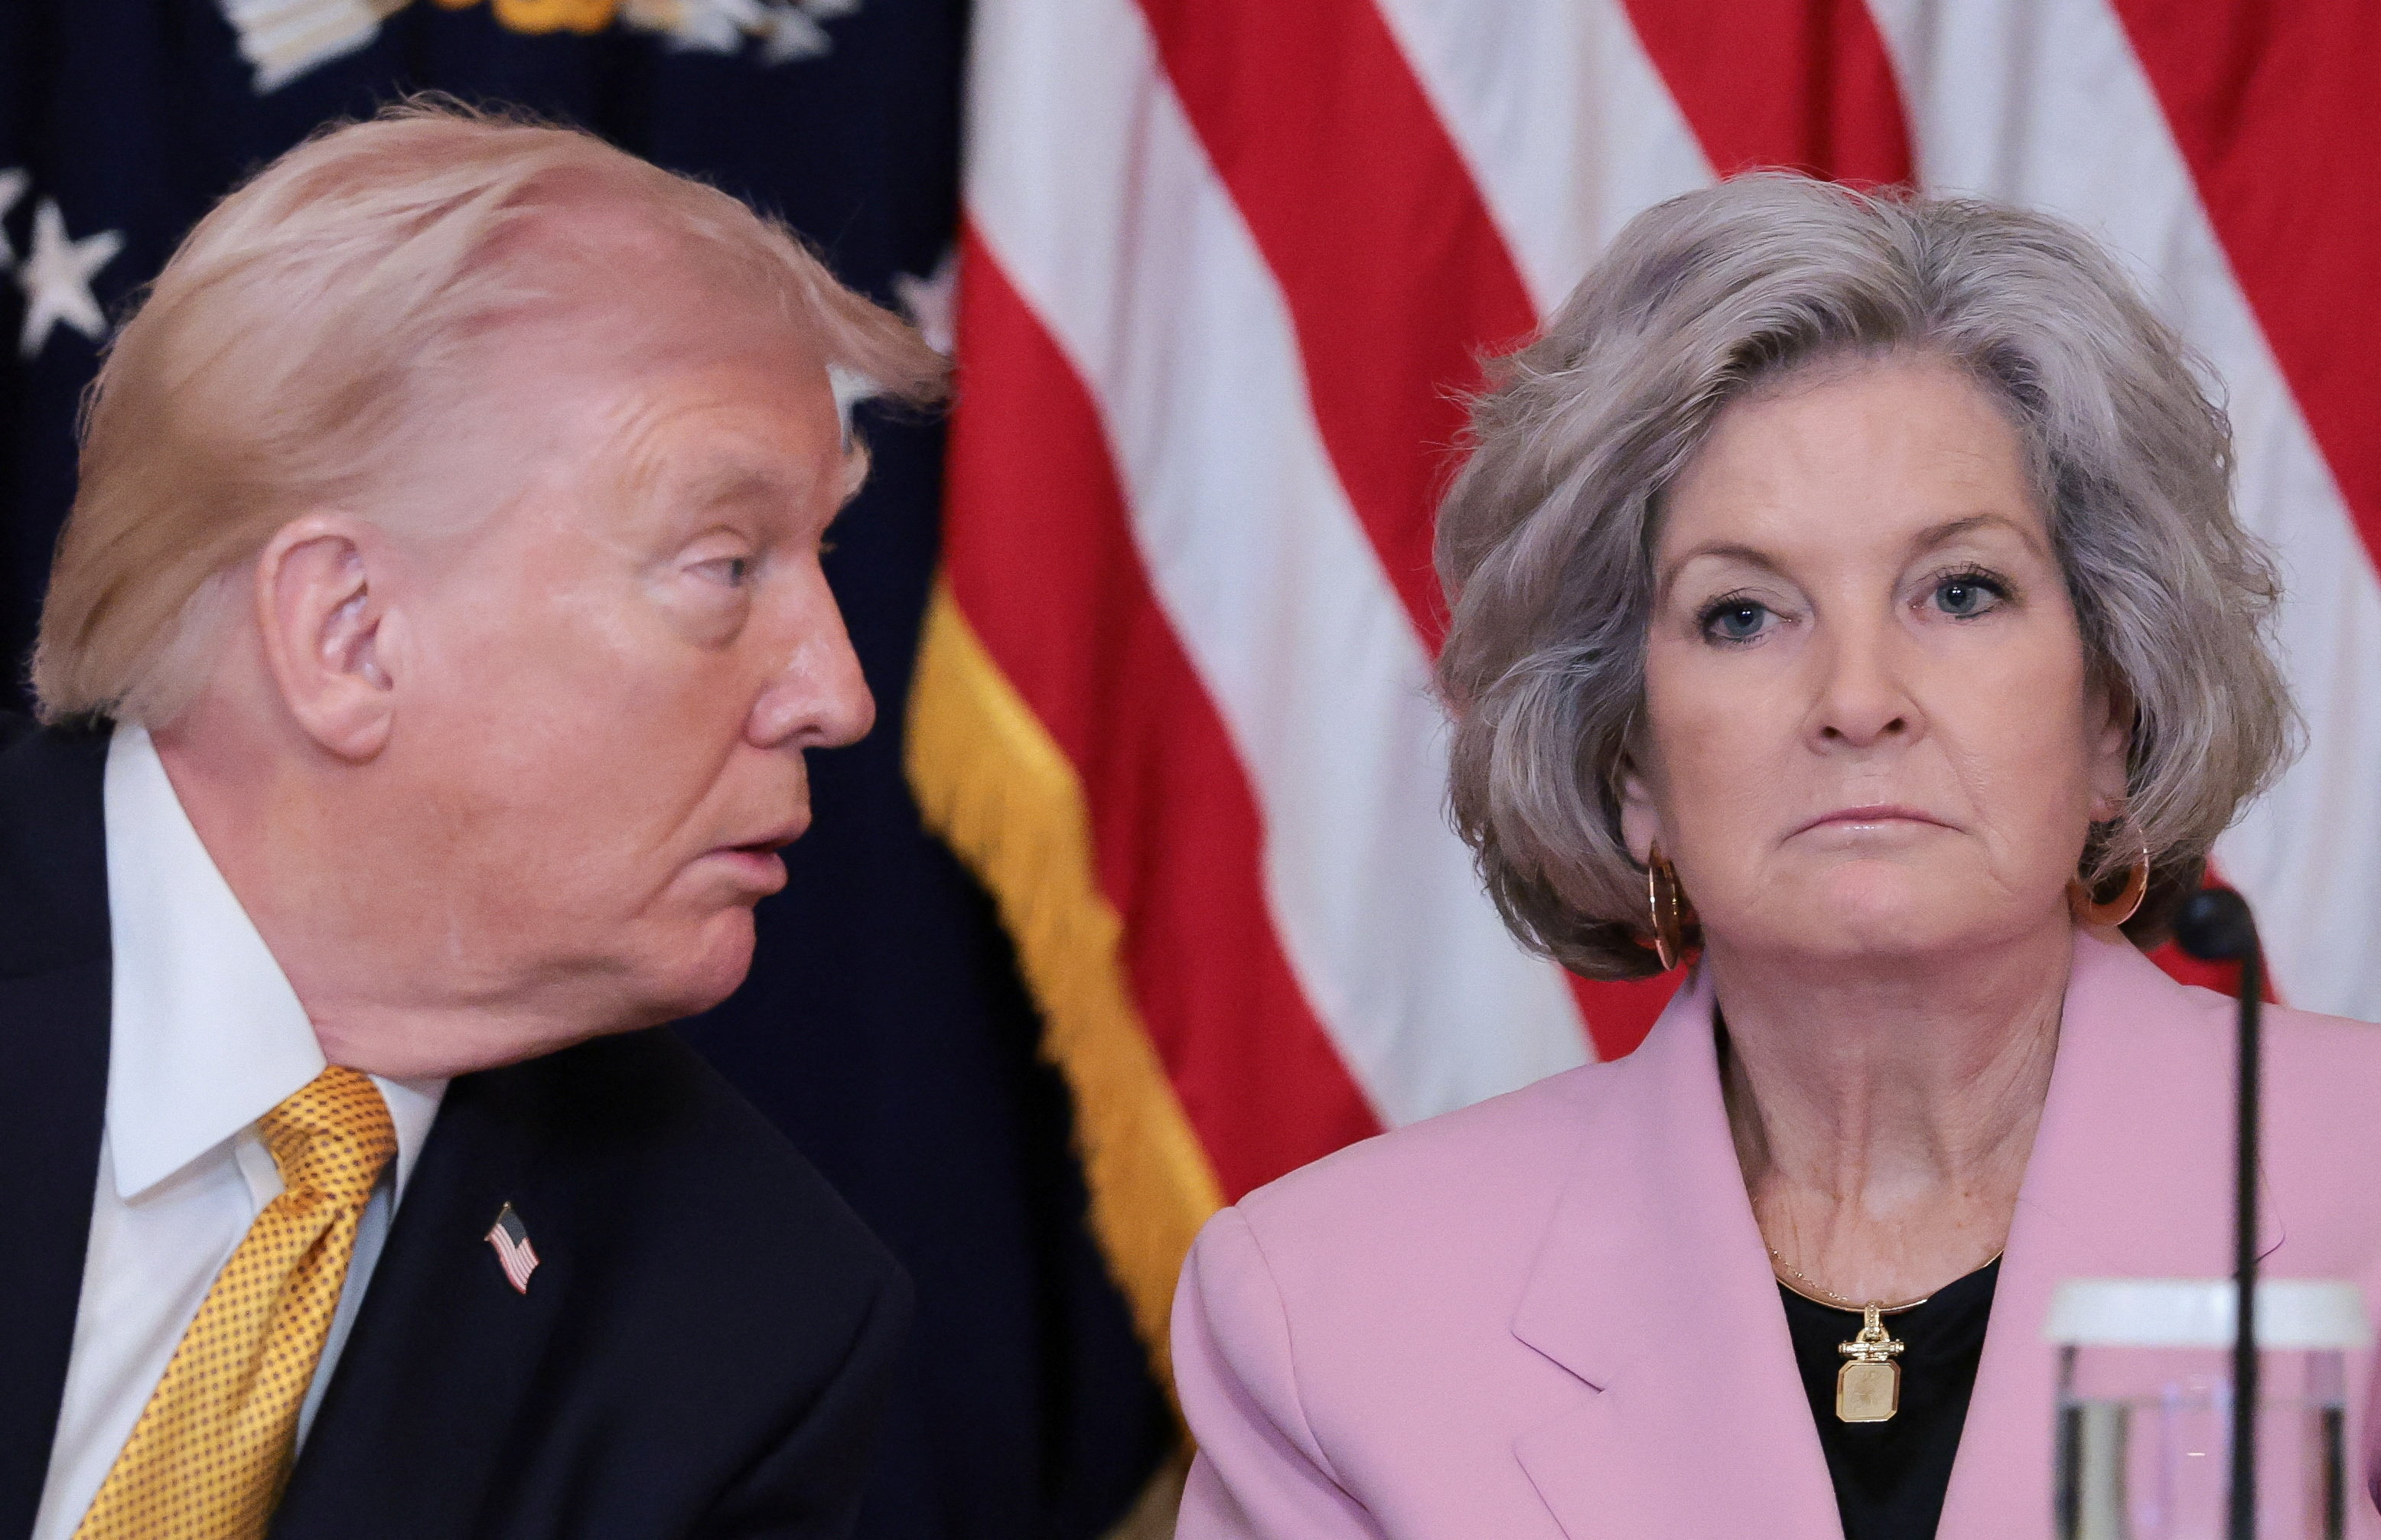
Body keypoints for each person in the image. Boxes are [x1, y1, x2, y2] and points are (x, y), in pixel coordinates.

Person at [1169, 175, 2381, 1539]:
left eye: (1962, 591)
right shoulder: (1328, 1312)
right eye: (1743, 614)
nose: (1859, 696)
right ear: (1631, 766)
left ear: (2112, 713)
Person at [0, 100, 945, 1540]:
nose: (836, 693)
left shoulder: (752, 1323)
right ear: (351, 634)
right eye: (726, 563)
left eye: (814, 560)